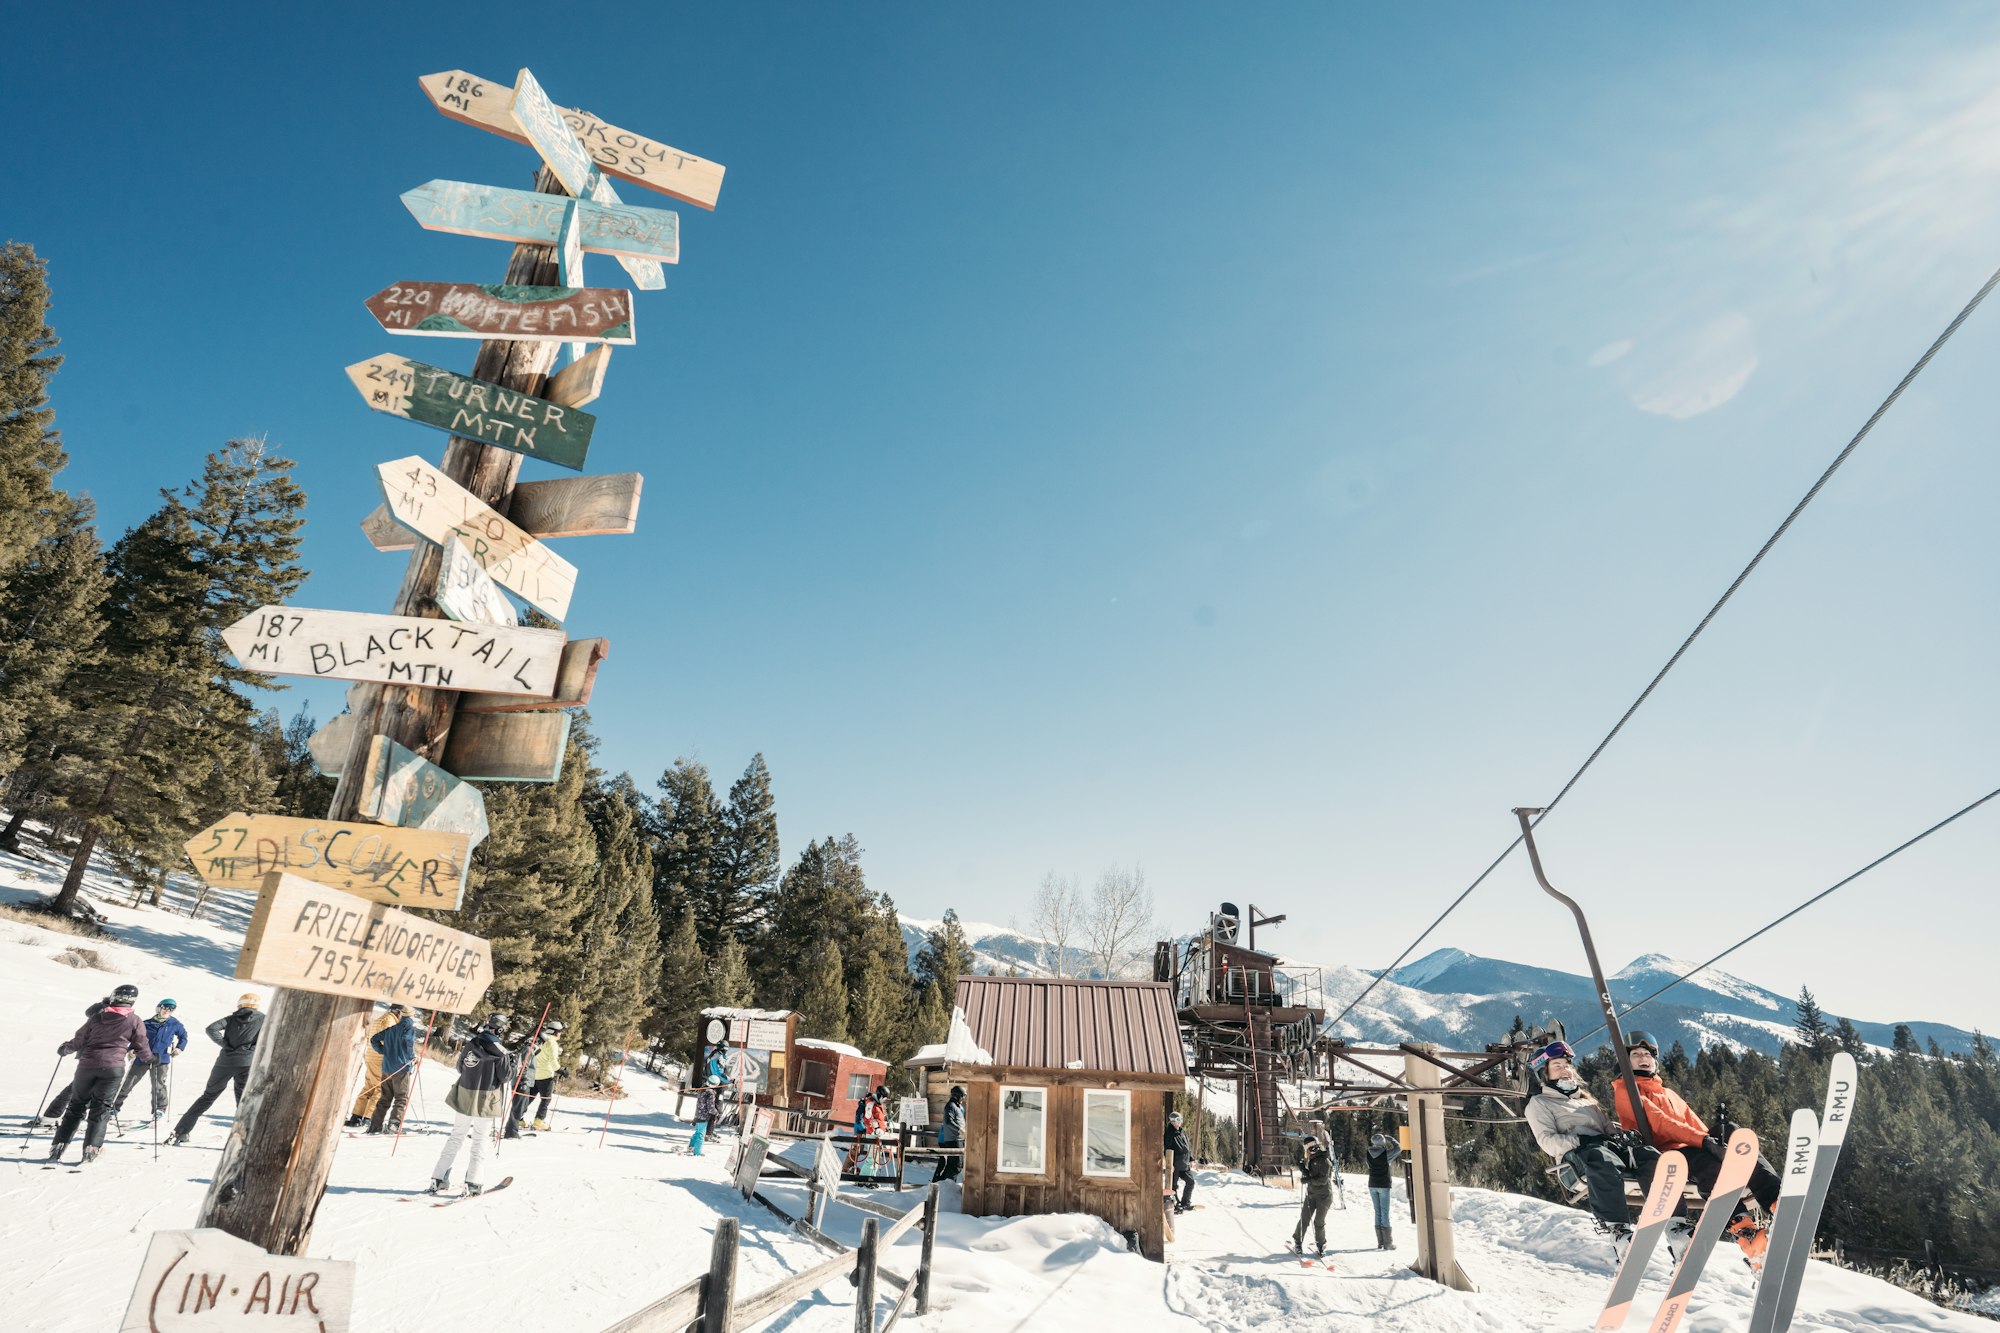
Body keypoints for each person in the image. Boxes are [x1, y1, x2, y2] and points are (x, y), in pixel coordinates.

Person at [1609, 1031, 1782, 1260]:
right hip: (1666, 1152)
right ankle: (1744, 1229)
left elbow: (1692, 1121)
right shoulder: (1626, 1090)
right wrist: (1703, 1142)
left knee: (1732, 1133)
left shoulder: (1667, 1092)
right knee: (1709, 1165)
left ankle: (1775, 1199)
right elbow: (1660, 1122)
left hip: (1689, 1144)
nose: (1643, 1058)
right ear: (1626, 1060)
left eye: (1647, 1054)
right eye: (1636, 1054)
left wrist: (1713, 1141)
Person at [1523, 1040, 1684, 1257]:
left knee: (1650, 1156)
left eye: (1566, 1065)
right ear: (1546, 1075)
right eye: (1557, 1066)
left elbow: (1608, 1129)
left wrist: (1622, 1136)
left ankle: (1675, 1225)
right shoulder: (1540, 1103)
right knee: (1600, 1157)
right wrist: (1580, 1140)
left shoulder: (1587, 1102)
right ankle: (1618, 1229)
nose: (1565, 1071)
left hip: (1605, 1149)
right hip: (1576, 1161)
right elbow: (1548, 1142)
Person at [48, 985, 151, 1164]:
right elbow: (141, 1044)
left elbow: (80, 1039)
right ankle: (91, 1149)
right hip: (113, 1069)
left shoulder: (97, 1017)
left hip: (87, 1067)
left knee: (75, 1107)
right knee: (101, 1109)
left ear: (113, 997)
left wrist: (66, 1049)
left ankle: (58, 1147)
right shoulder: (134, 1020)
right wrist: (150, 1059)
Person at [430, 1013, 513, 1195]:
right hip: (486, 1096)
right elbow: (506, 1077)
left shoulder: (471, 1043)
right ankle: (473, 1182)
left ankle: (438, 1178)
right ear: (499, 1029)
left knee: (456, 1136)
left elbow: (460, 1067)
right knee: (479, 1139)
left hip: (466, 1092)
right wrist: (511, 1064)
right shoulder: (500, 1051)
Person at [166, 994, 264, 1146]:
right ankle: (245, 1140)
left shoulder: (231, 1019)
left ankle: (180, 1132)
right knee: (243, 1101)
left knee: (207, 1097)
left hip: (225, 1063)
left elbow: (211, 1029)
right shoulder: (263, 1019)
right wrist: (252, 1049)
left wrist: (225, 1044)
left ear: (240, 1004)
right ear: (256, 1005)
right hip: (247, 1063)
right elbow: (267, 1037)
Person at [36, 985, 137, 1125]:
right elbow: (88, 1018)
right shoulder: (103, 1011)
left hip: (94, 1055)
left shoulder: (108, 1012)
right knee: (76, 1088)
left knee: (83, 1089)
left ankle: (65, 1115)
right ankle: (53, 1116)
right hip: (94, 1055)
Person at [111, 998, 187, 1125]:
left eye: (170, 1010)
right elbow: (136, 1038)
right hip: (142, 1057)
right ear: (159, 1008)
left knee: (158, 1086)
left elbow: (184, 1037)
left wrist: (179, 1048)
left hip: (161, 1059)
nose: (166, 1011)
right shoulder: (146, 1023)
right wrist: (131, 1050)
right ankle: (114, 1108)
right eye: (164, 1008)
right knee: (128, 1083)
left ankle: (159, 1110)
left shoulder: (175, 1024)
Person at [347, 1004, 407, 1128]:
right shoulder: (390, 1022)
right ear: (398, 1013)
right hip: (381, 1058)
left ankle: (357, 1115)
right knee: (380, 1087)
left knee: (369, 1085)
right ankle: (368, 1117)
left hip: (371, 1056)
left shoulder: (379, 1019)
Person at [366, 1007, 421, 1135]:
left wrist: (384, 1051)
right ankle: (393, 1126)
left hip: (387, 1068)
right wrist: (412, 1057)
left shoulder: (392, 1029)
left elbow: (374, 1039)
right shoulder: (409, 1030)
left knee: (385, 1097)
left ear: (401, 1015)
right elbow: (408, 1044)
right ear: (412, 1016)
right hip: (401, 1069)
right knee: (401, 1098)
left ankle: (375, 1125)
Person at [508, 1018, 565, 1136]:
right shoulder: (552, 1043)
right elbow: (553, 1061)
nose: (560, 1034)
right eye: (560, 1032)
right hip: (546, 1076)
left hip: (534, 1074)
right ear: (556, 1032)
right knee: (546, 1099)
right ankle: (539, 1120)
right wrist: (561, 1070)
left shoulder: (540, 1039)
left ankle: (519, 1118)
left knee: (529, 1097)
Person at [1290, 1138, 1335, 1257]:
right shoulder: (1313, 1158)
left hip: (1324, 1196)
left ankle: (1321, 1245)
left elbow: (1323, 1180)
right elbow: (1312, 1173)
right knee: (1304, 1218)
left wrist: (1308, 1179)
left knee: (1318, 1222)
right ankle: (1297, 1243)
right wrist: (1303, 1169)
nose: (1308, 1152)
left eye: (1308, 1149)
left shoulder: (1324, 1161)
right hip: (1311, 1194)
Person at [1366, 1132, 1398, 1249]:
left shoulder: (1368, 1153)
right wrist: (1391, 1138)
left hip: (1372, 1184)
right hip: (1384, 1184)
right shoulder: (1386, 1154)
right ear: (1383, 1142)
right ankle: (1388, 1243)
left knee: (1377, 1212)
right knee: (1385, 1212)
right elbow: (1398, 1148)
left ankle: (1380, 1242)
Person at [935, 1085, 966, 1183]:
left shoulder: (956, 1106)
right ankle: (946, 1185)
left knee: (952, 1165)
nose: (963, 1099)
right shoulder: (951, 1106)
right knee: (955, 1165)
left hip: (957, 1138)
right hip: (953, 1139)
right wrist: (960, 1129)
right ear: (957, 1096)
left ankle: (943, 1185)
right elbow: (948, 1121)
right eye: (962, 1096)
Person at [1166, 1110, 1196, 1213]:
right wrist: (1169, 1163)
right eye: (1178, 1120)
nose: (1180, 1122)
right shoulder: (1169, 1134)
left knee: (1191, 1181)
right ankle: (1174, 1205)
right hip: (1175, 1165)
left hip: (1184, 1164)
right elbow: (1167, 1149)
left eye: (1181, 1119)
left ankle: (1185, 1203)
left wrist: (1191, 1159)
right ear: (1172, 1121)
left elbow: (1187, 1147)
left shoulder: (1182, 1131)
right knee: (1173, 1186)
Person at [690, 1076, 720, 1155]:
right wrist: (716, 1113)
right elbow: (711, 1108)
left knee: (697, 1132)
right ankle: (697, 1152)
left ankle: (691, 1146)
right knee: (701, 1135)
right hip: (703, 1116)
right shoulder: (710, 1093)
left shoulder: (702, 1089)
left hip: (698, 1114)